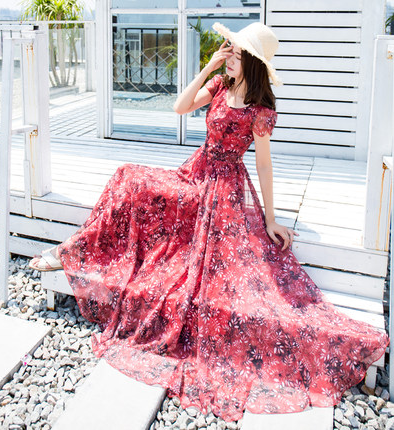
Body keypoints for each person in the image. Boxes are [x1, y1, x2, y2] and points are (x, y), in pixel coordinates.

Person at [28, 22, 389, 421]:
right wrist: (208, 67)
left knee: (141, 190)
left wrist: (270, 219)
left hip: (223, 188)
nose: (229, 55)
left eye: (237, 53)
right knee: (127, 177)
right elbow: (180, 107)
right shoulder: (219, 86)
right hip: (194, 172)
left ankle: (72, 252)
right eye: (229, 49)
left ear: (253, 62)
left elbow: (264, 164)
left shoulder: (260, 110)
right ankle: (75, 251)